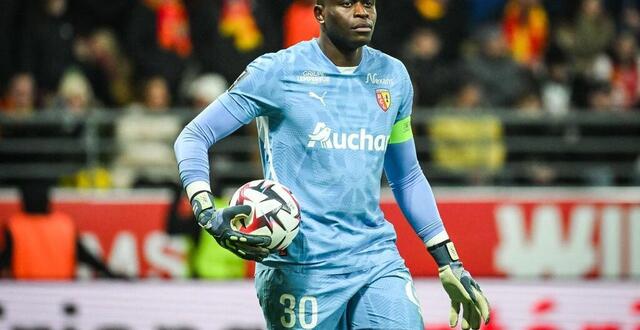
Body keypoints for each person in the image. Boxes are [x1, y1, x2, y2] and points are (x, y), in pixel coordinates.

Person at [174, 1, 490, 329]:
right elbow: (194, 135)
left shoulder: (392, 77)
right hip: (299, 268)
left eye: (368, 3)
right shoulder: (277, 72)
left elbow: (407, 176)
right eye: (346, 3)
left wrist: (448, 258)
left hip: (374, 258)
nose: (361, 11)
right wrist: (205, 211)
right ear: (320, 13)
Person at [0, 182, 123, 280]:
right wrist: (109, 272)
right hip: (62, 289)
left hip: (27, 291)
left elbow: (6, 257)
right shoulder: (64, 224)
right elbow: (84, 255)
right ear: (48, 201)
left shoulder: (15, 225)